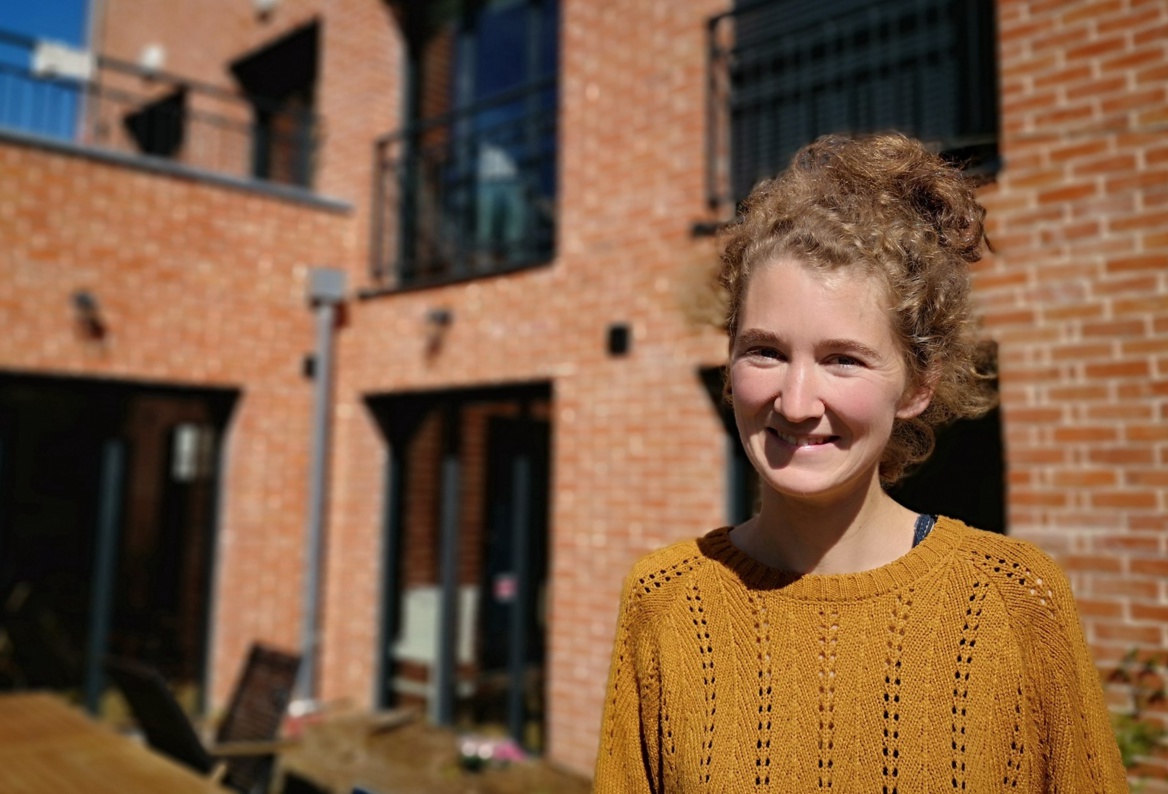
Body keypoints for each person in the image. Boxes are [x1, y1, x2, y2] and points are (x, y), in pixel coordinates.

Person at [593, 133, 1127, 792]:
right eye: (764, 351)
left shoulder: (1018, 600)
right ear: (728, 365)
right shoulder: (665, 599)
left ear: (917, 385)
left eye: (843, 358)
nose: (794, 401)